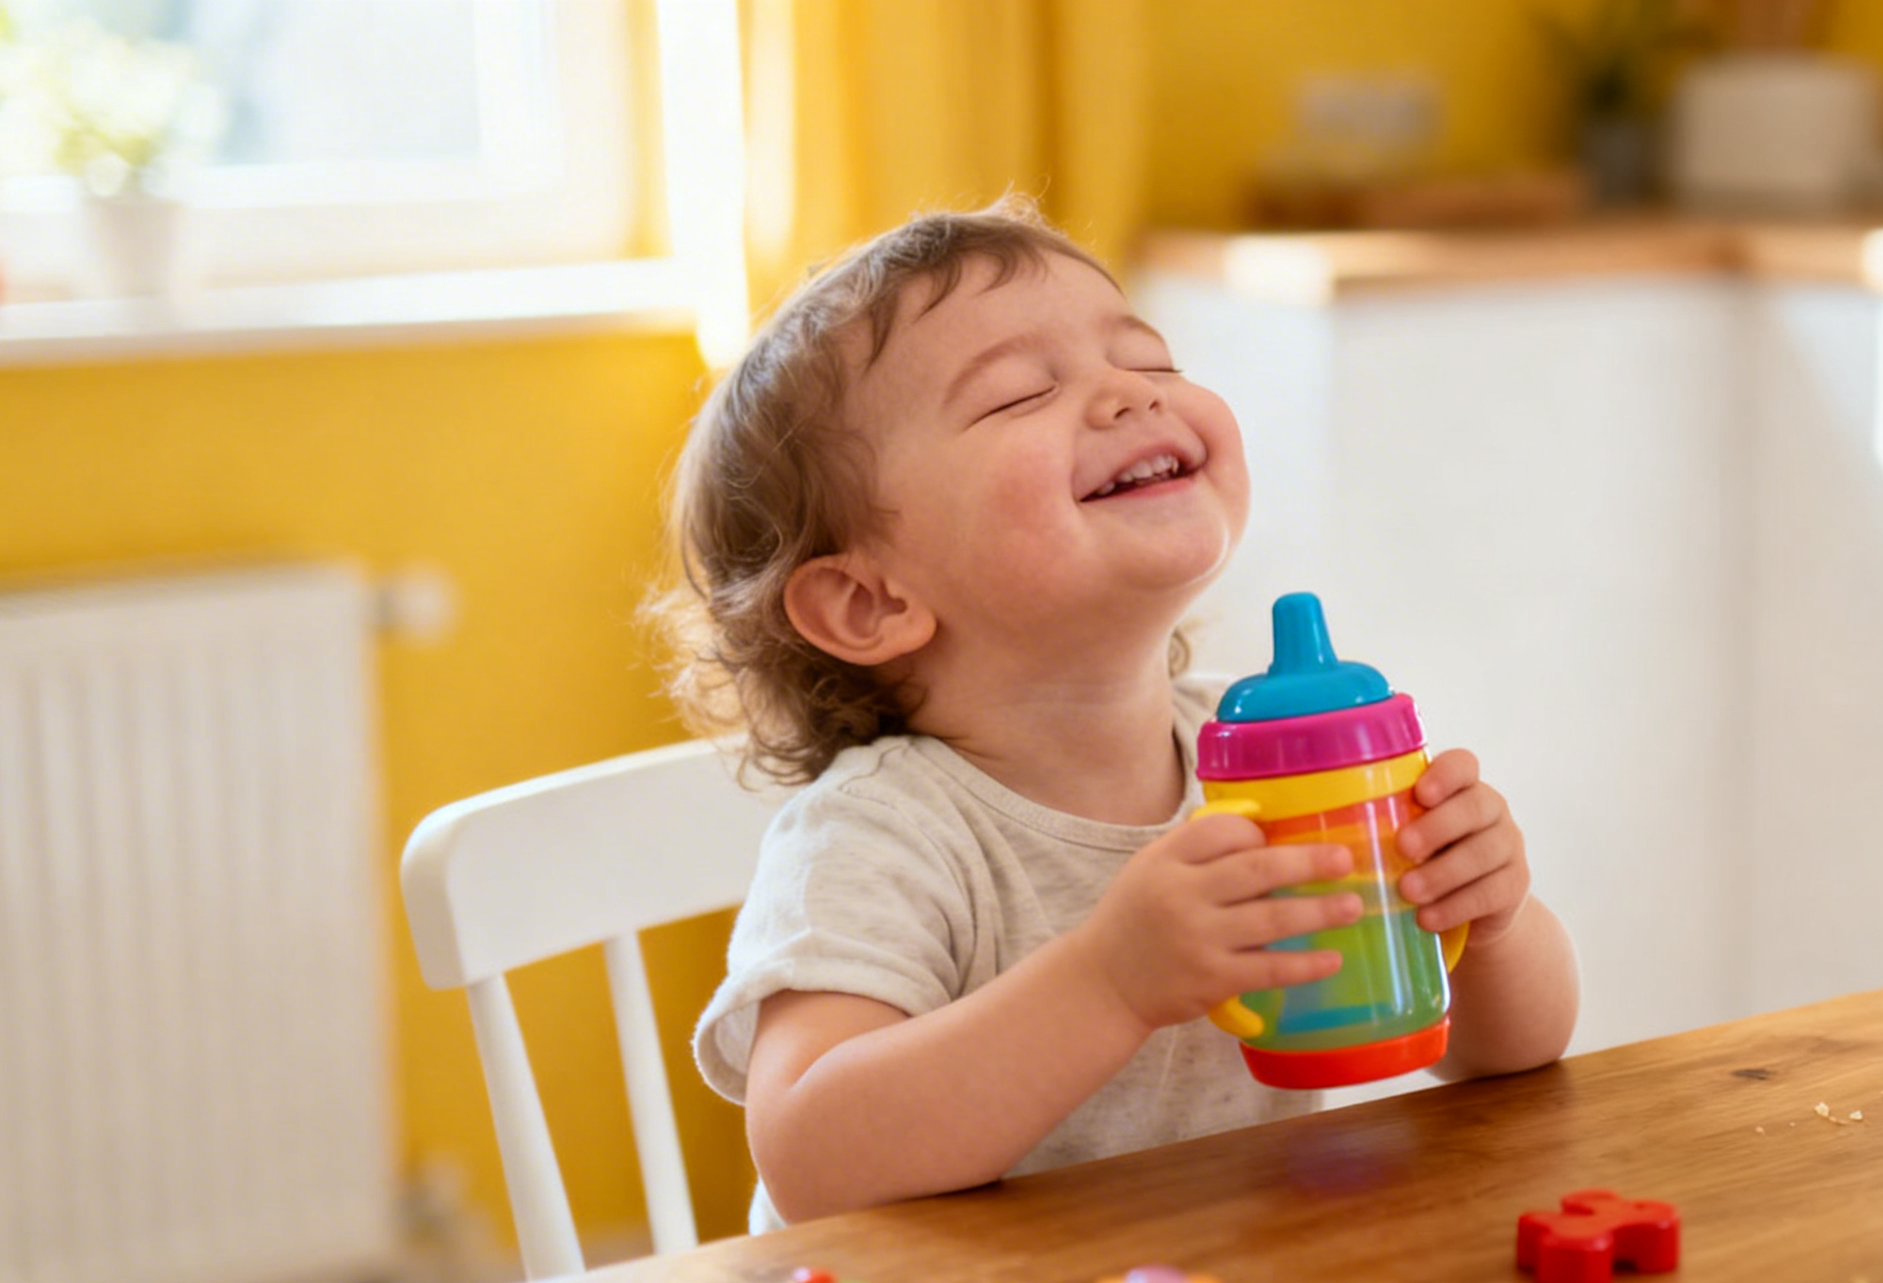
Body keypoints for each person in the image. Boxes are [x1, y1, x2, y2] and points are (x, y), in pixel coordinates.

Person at [654, 198, 1579, 1229]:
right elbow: (811, 1157)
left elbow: (1511, 1054)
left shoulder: (1265, 758)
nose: (1128, 396)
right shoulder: (878, 838)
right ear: (871, 602)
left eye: (1147, 358)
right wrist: (1110, 982)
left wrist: (1485, 924)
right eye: (1017, 396)